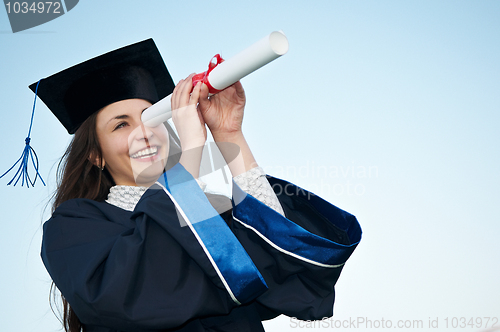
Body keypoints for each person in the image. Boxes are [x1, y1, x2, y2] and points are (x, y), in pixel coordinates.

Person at [33, 39, 362, 332]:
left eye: (152, 118)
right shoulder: (72, 229)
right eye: (121, 124)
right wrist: (191, 150)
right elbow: (129, 292)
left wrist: (229, 134)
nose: (145, 132)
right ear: (95, 155)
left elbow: (288, 261)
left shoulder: (207, 210)